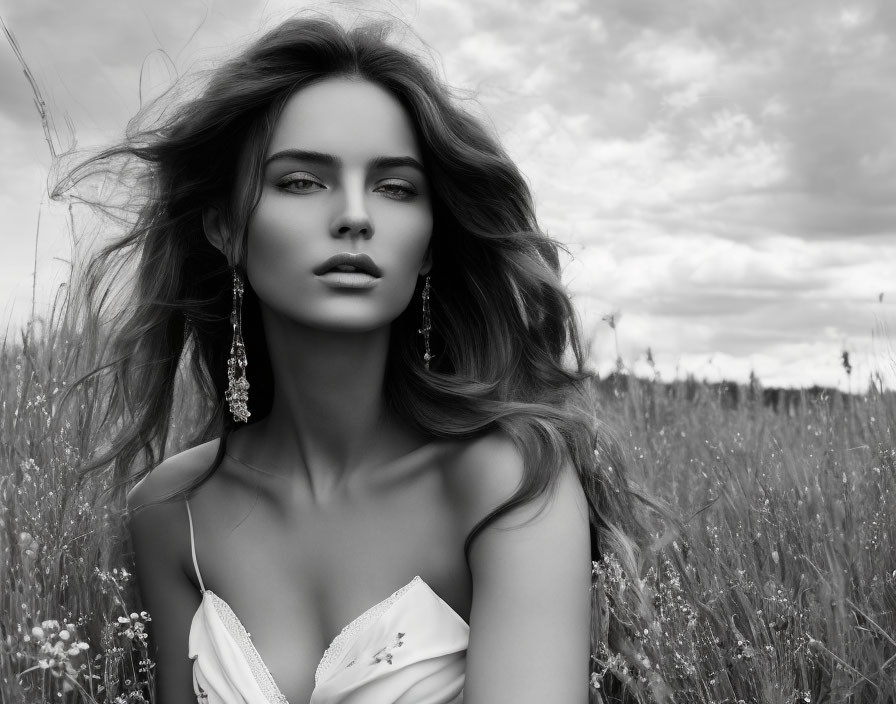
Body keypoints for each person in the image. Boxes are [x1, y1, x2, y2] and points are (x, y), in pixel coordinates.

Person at [69, 13, 646, 704]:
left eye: (395, 188)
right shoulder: (172, 511)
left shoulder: (509, 480)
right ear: (225, 227)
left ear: (429, 244)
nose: (354, 215)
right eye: (302, 181)